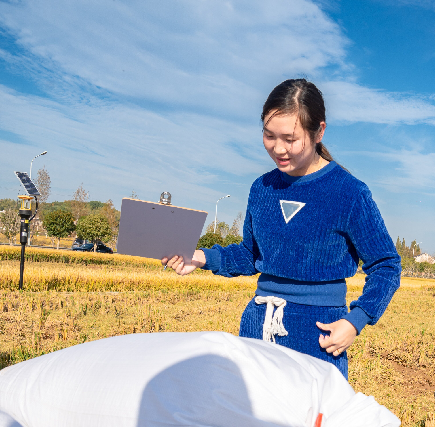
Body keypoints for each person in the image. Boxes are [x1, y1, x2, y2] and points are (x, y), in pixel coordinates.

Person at [164, 79, 401, 379]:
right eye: (268, 135)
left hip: (320, 336)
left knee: (311, 424)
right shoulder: (262, 188)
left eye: (290, 138)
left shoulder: (349, 192)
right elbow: (250, 256)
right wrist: (200, 258)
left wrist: (355, 321)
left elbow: (386, 265)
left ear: (319, 132)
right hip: (257, 327)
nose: (278, 149)